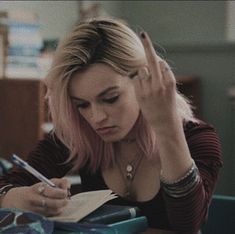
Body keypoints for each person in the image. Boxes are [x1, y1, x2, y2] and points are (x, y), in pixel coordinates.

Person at [0, 17, 222, 233]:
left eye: (110, 98)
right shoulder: (77, 133)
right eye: (82, 104)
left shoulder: (199, 138)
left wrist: (167, 126)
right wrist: (18, 197)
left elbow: (188, 224)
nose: (96, 118)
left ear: (144, 80)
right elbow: (7, 186)